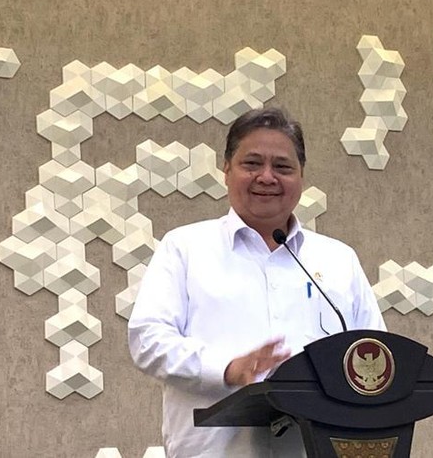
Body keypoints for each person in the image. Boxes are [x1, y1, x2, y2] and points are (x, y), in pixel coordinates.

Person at [127, 106, 386, 458]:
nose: (267, 177)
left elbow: (375, 352)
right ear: (226, 170)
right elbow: (148, 340)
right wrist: (227, 369)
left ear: (301, 176)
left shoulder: (338, 259)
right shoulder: (185, 247)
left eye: (282, 167)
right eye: (252, 164)